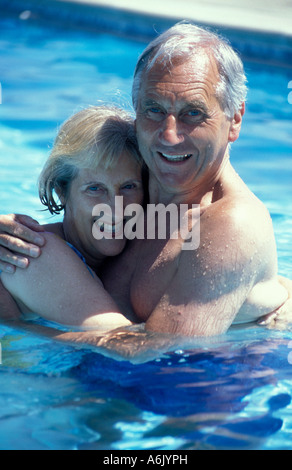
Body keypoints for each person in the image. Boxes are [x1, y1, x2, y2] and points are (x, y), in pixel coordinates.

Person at [1, 23, 292, 345]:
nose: (169, 135)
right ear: (136, 111)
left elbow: (163, 358)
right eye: (153, 109)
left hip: (195, 389)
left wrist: (18, 327)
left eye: (193, 113)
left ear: (235, 119)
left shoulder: (230, 223)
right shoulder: (144, 188)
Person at [0, 105, 144, 331]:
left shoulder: (140, 241)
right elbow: (124, 343)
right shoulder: (38, 252)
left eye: (128, 187)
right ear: (62, 192)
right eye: (95, 189)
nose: (115, 209)